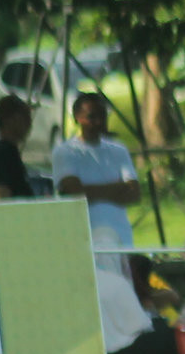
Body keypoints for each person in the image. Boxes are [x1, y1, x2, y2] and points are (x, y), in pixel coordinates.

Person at [52, 92, 140, 275]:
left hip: (122, 236)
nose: (99, 122)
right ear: (78, 118)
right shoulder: (66, 152)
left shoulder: (118, 150)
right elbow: (75, 193)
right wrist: (117, 188)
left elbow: (134, 193)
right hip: (86, 237)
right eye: (92, 117)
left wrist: (91, 190)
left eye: (102, 115)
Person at [0, 95, 33, 198]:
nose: (29, 122)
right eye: (25, 116)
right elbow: (0, 193)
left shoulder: (11, 151)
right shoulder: (2, 153)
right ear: (8, 120)